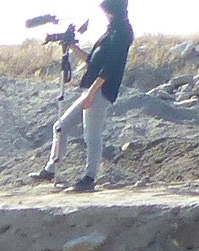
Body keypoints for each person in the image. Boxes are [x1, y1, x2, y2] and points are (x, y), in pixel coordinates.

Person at [40, 0, 132, 193]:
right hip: (91, 88)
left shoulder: (122, 32)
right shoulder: (111, 32)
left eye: (107, 10)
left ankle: (89, 177)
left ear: (113, 11)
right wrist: (72, 47)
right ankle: (51, 169)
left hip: (100, 90)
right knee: (60, 126)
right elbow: (93, 61)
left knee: (92, 135)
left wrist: (91, 93)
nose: (105, 13)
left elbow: (111, 67)